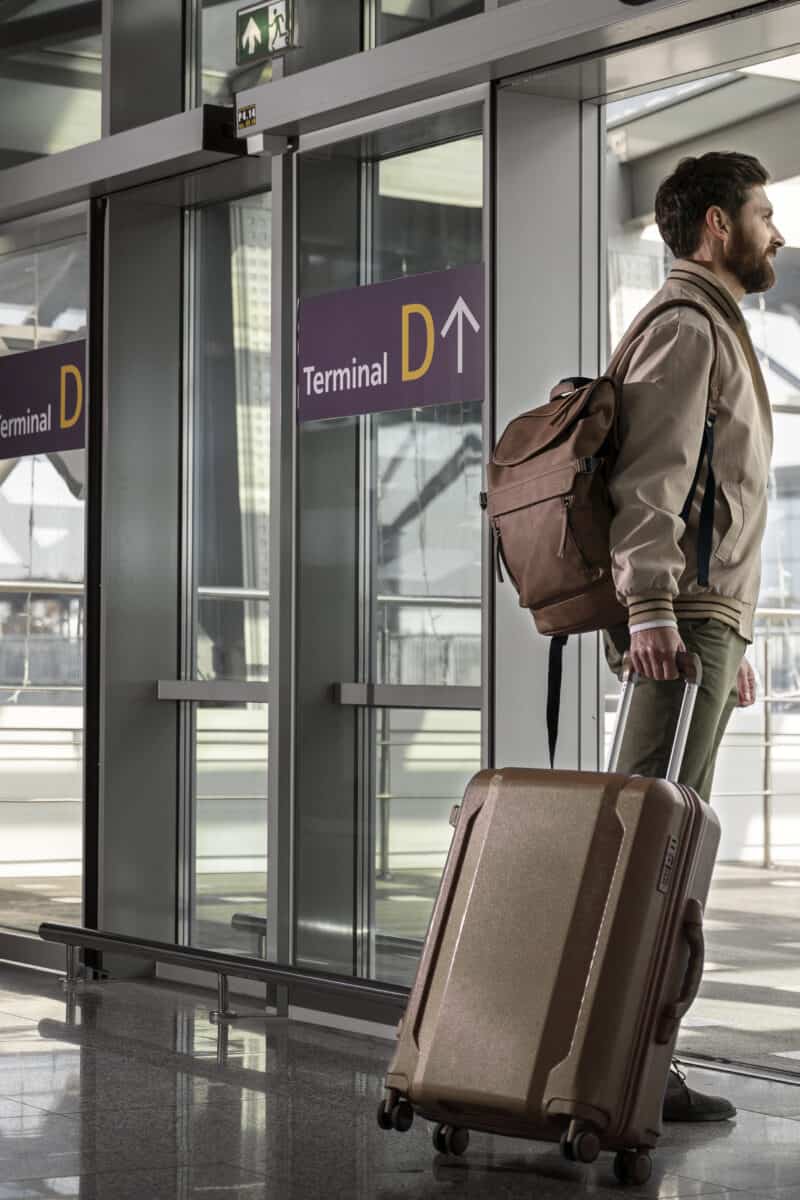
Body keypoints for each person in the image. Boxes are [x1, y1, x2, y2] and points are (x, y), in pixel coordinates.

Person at [605, 151, 784, 1122]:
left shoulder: (711, 327)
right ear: (715, 226)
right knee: (652, 848)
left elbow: (718, 497)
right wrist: (652, 609)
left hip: (705, 623)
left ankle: (633, 1058)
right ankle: (616, 1066)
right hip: (680, 623)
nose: (776, 232)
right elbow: (653, 480)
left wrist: (731, 637)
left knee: (670, 840)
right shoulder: (684, 327)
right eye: (762, 213)